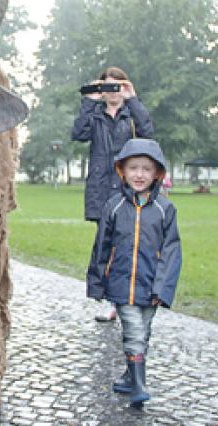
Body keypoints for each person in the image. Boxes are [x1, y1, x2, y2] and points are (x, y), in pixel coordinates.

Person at [85, 138, 181, 407]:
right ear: (122, 171)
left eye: (146, 169)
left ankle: (130, 376)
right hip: (122, 285)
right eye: (133, 168)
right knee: (134, 331)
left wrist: (162, 289)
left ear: (157, 173)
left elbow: (172, 253)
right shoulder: (113, 206)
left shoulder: (165, 210)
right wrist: (96, 282)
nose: (139, 175)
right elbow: (101, 247)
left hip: (151, 287)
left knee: (144, 332)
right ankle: (139, 385)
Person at [73, 66, 154, 322]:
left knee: (127, 245)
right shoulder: (95, 115)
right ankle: (109, 299)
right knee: (104, 247)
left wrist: (134, 99)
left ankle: (126, 297)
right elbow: (78, 133)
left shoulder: (131, 116)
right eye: (107, 87)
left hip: (126, 187)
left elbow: (148, 133)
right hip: (100, 189)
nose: (112, 93)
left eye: (117, 87)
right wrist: (89, 101)